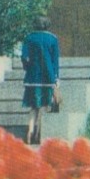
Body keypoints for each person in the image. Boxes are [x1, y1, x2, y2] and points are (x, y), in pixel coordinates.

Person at [21, 16, 60, 145]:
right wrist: (56, 78)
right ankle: (38, 133)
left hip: (32, 77)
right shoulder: (53, 39)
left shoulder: (29, 38)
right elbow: (55, 61)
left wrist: (27, 68)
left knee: (33, 107)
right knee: (44, 106)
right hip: (48, 77)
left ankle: (30, 131)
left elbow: (24, 57)